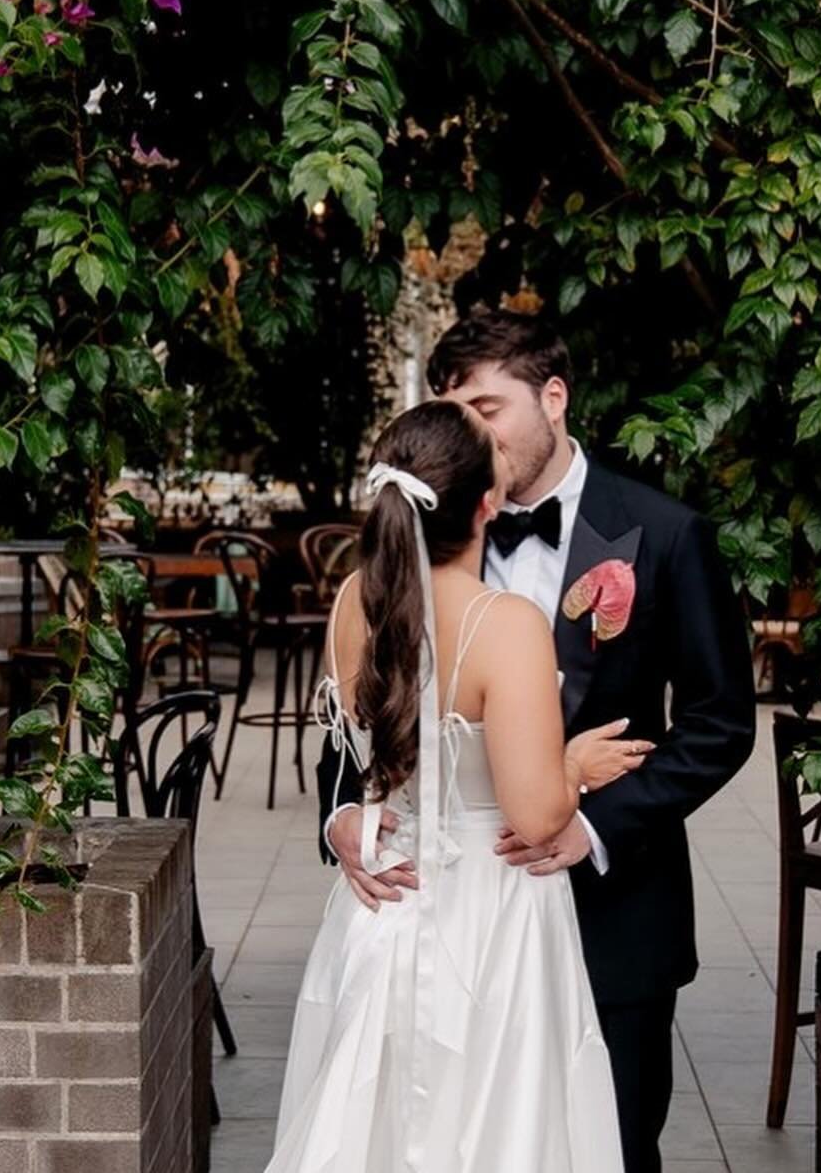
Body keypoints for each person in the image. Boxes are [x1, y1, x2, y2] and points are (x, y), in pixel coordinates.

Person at [321, 311, 757, 1173]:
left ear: (554, 398)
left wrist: (591, 827)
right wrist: (342, 812)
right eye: (454, 410)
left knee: (610, 1148)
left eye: (488, 408)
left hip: (614, 915)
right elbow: (365, 716)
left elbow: (721, 722)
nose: (470, 433)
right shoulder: (411, 553)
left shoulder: (666, 534)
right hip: (440, 921)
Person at [269, 398, 652, 1173]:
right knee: (494, 1127)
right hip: (492, 915)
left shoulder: (351, 602)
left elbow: (357, 754)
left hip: (383, 904)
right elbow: (537, 814)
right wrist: (575, 767)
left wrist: (350, 814)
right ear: (486, 504)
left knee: (374, 1125)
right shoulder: (504, 624)